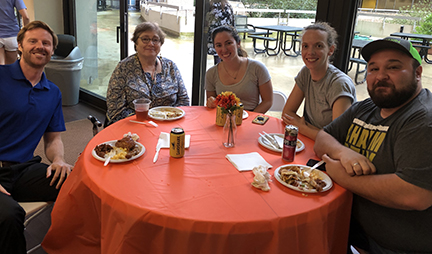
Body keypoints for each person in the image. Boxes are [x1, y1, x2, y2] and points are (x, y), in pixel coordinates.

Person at [314, 37, 432, 254]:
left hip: (395, 246)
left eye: (393, 67)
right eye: (373, 68)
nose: (381, 76)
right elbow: (323, 137)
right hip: (351, 230)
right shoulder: (367, 107)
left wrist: (341, 175)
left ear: (418, 73)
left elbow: (415, 194)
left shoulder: (422, 119)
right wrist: (343, 152)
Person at [0, 20, 72, 253]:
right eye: (33, 41)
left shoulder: (52, 92)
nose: (40, 46)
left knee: (77, 185)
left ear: (52, 51)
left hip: (23, 168)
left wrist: (59, 160)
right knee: (10, 215)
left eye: (46, 43)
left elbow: (52, 139)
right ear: (20, 45)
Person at [281, 22, 356, 140]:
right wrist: (316, 133)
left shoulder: (339, 84)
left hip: (331, 152)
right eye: (305, 46)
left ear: (331, 50)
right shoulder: (306, 72)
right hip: (310, 141)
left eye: (318, 46)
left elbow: (336, 138)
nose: (310, 52)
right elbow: (287, 113)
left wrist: (302, 127)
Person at [106, 21, 190, 126]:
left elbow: (184, 100)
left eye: (155, 40)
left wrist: (170, 118)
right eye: (145, 39)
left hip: (169, 123)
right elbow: (115, 107)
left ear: (160, 44)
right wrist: (145, 122)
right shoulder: (123, 68)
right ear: (136, 43)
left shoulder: (170, 66)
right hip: (135, 124)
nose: (151, 43)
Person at [205, 25, 273, 113]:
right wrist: (211, 102)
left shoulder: (257, 68)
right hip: (223, 120)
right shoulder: (211, 73)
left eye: (228, 43)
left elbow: (268, 101)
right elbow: (211, 103)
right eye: (218, 45)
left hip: (252, 120)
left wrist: (249, 120)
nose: (224, 49)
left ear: (238, 43)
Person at [0, 0, 30, 65]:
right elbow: (26, 17)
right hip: (12, 35)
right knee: (12, 66)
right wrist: (26, 32)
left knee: (1, 66)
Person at [205, 0, 234, 65]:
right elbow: (232, 23)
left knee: (218, 57)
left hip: (215, 37)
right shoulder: (228, 6)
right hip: (226, 36)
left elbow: (206, 22)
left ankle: (219, 73)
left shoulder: (210, 6)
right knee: (224, 57)